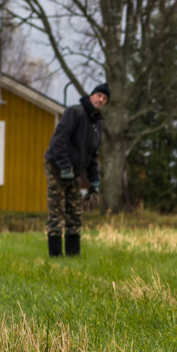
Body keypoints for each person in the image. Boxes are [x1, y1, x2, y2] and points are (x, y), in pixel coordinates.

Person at [44, 83, 110, 257]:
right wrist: (65, 166)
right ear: (91, 96)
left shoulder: (98, 123)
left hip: (73, 170)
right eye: (99, 95)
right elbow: (59, 140)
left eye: (104, 98)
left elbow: (92, 154)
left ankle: (73, 254)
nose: (101, 100)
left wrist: (94, 180)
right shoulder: (75, 112)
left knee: (74, 211)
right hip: (57, 166)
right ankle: (56, 255)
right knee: (57, 209)